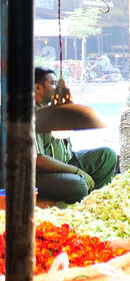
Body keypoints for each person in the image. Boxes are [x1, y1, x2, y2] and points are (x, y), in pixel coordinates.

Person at [33, 68, 118, 203]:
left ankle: (96, 203)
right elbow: (39, 159)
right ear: (38, 88)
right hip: (42, 174)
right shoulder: (33, 116)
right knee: (78, 185)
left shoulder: (55, 110)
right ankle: (77, 211)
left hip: (67, 160)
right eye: (53, 83)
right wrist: (77, 171)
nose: (58, 88)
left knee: (107, 156)